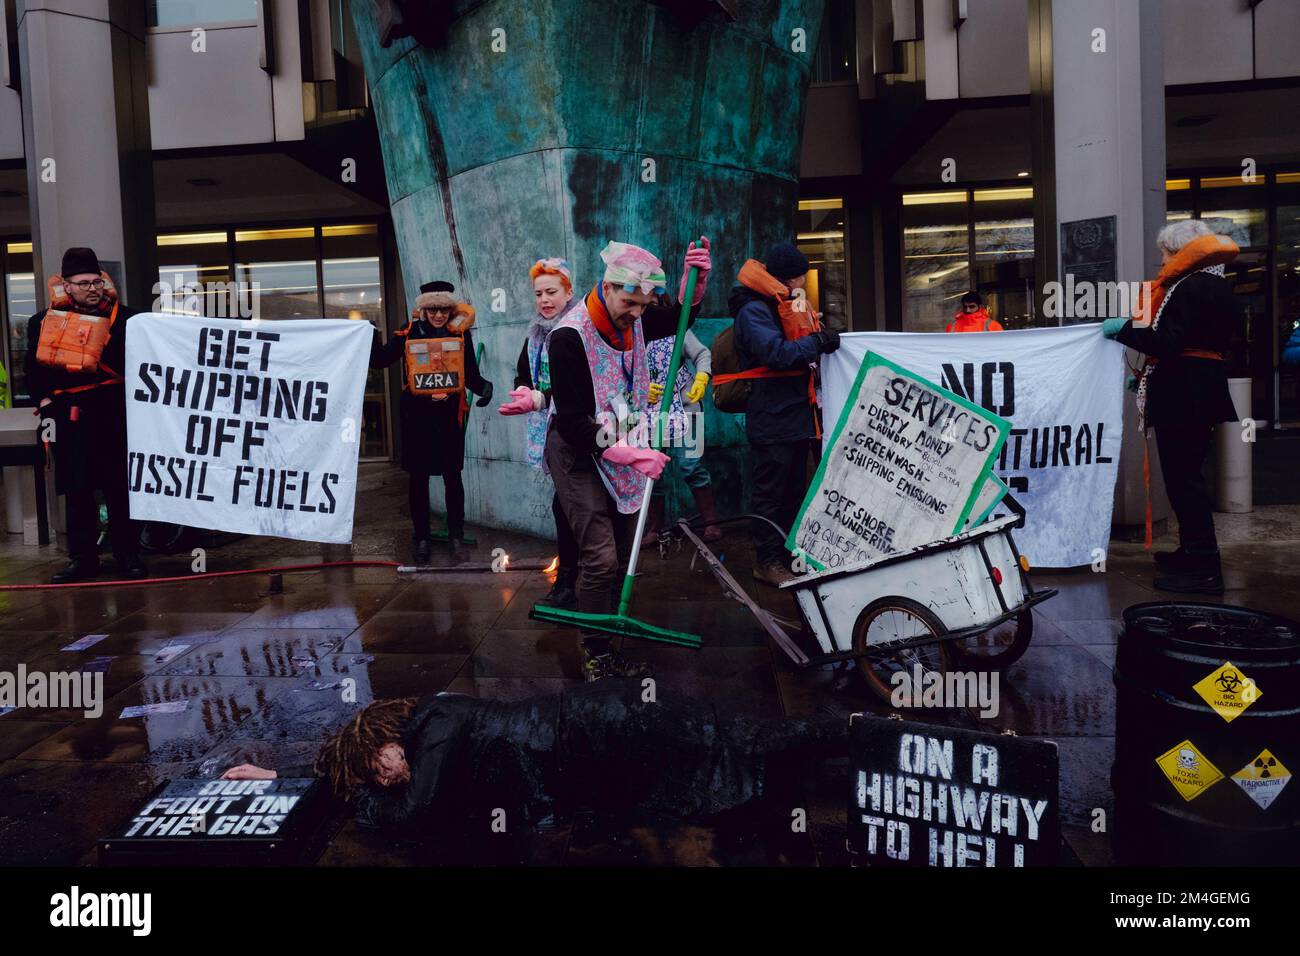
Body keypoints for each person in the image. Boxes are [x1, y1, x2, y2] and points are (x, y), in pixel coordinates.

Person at [220, 681, 846, 856]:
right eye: (370, 778)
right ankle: (845, 738)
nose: (381, 780)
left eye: (375, 767)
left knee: (745, 742)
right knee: (738, 753)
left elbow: (412, 814)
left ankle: (853, 733)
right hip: (599, 742)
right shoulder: (423, 733)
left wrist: (357, 801)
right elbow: (386, 794)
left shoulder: (438, 727)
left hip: (609, 731)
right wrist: (285, 780)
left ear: (385, 738)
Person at [545, 239, 706, 681]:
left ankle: (605, 631)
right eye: (630, 303)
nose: (638, 314)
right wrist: (633, 455)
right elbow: (575, 422)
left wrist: (699, 281)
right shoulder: (567, 337)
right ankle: (596, 653)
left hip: (620, 434)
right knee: (599, 558)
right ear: (608, 287)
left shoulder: (634, 316)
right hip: (577, 450)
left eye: (643, 305)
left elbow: (679, 319)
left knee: (620, 550)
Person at [1102, 219, 1241, 593]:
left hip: (1184, 392)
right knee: (1186, 479)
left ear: (1180, 252)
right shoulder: (1217, 285)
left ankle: (1203, 568)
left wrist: (1124, 330)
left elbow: (1167, 342)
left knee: (1184, 483)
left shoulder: (1188, 287)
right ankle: (1192, 552)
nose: (1161, 260)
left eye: (1164, 252)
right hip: (1198, 387)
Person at [25, 247, 145, 583]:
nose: (91, 288)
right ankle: (83, 559)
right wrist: (47, 404)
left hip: (116, 415)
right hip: (70, 418)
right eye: (83, 283)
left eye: (96, 282)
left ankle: (128, 555)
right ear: (67, 285)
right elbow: (33, 373)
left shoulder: (128, 320)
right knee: (77, 491)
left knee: (120, 489)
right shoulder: (41, 322)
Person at [729, 242, 840, 587]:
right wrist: (818, 342)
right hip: (773, 416)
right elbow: (775, 353)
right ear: (788, 277)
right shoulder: (754, 311)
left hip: (791, 415)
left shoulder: (773, 304)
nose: (802, 283)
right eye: (800, 277)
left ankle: (790, 555)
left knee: (792, 492)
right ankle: (767, 561)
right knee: (771, 494)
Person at [371, 280, 493, 564]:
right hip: (416, 417)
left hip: (449, 416)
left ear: (450, 310)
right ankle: (422, 538)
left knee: (453, 476)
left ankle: (456, 536)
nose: (438, 315)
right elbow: (380, 360)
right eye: (433, 309)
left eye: (443, 309)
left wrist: (485, 387)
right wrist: (370, 333)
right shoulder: (407, 333)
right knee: (418, 478)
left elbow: (470, 374)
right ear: (423, 310)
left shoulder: (460, 334)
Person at [499, 258, 582, 609]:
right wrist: (523, 391)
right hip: (555, 432)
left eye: (552, 292)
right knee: (566, 507)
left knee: (569, 508)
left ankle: (572, 584)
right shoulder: (536, 333)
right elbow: (524, 372)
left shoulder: (579, 330)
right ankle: (573, 581)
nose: (544, 300)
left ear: (569, 292)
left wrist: (540, 396)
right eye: (538, 294)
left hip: (584, 431)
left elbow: (577, 386)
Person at [643, 241, 720, 546]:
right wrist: (639, 390)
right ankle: (654, 528)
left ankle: (712, 522)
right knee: (654, 471)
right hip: (650, 411)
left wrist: (702, 376)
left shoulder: (677, 330)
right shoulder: (635, 332)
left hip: (688, 407)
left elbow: (702, 354)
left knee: (691, 465)